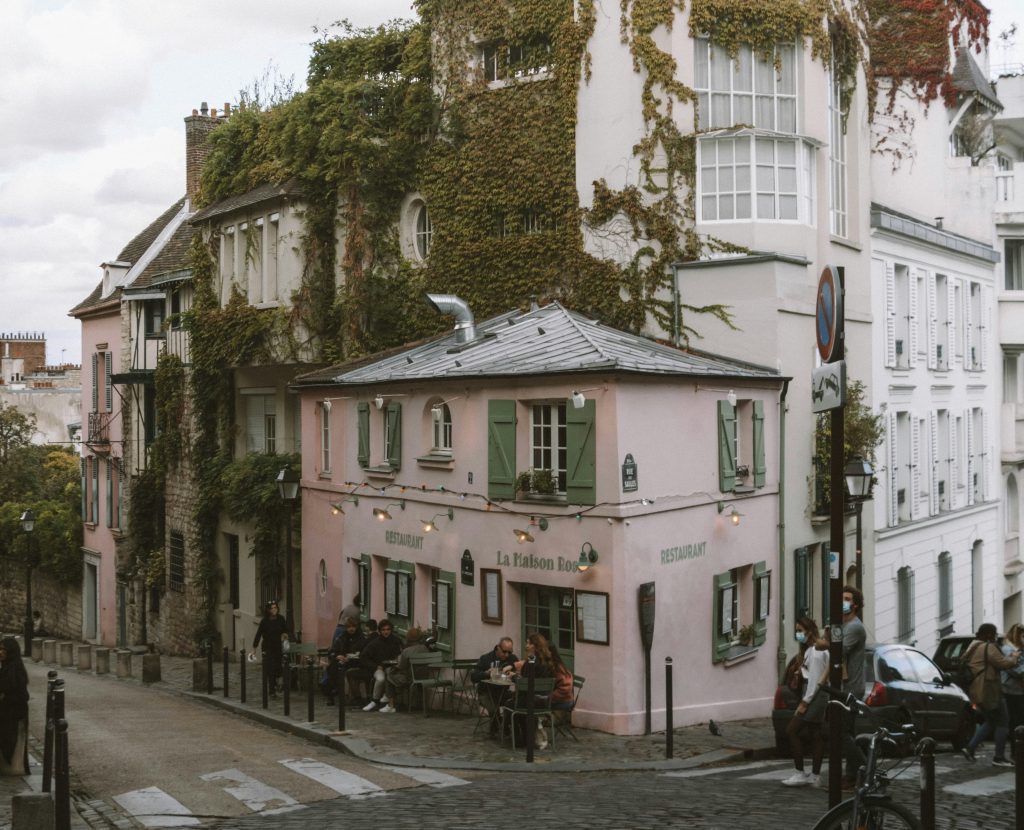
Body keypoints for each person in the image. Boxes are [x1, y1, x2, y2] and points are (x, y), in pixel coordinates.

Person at [962, 622, 1021, 766]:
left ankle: (970, 748)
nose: (995, 637)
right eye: (994, 633)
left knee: (991, 721)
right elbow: (1003, 664)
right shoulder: (988, 647)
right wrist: (1014, 656)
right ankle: (999, 757)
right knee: (1003, 722)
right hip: (990, 689)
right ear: (988, 634)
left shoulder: (972, 646)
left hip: (977, 689)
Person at [782, 617, 828, 787]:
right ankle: (815, 775)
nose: (798, 634)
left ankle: (800, 772)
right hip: (815, 693)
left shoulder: (816, 652)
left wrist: (805, 702)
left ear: (809, 631)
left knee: (791, 730)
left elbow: (815, 680)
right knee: (815, 734)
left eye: (800, 630)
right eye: (797, 630)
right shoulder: (810, 650)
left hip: (815, 694)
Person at [840, 585, 867, 788]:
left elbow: (839, 649)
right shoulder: (844, 625)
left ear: (855, 604)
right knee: (847, 731)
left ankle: (865, 768)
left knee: (843, 733)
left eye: (847, 598)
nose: (844, 601)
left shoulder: (855, 627)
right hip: (846, 686)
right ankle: (851, 775)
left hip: (852, 686)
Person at [470, 637, 519, 733]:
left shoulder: (512, 658)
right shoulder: (486, 658)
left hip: (503, 692)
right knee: (494, 709)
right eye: (504, 652)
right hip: (486, 693)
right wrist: (486, 674)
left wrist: (513, 670)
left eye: (510, 652)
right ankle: (498, 728)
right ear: (498, 648)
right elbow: (474, 677)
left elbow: (520, 669)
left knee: (517, 701)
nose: (507, 655)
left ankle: (506, 726)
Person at [0, 637, 30, 776]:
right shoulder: (7, 666)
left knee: (11, 743)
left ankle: (13, 771)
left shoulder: (15, 668)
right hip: (8, 713)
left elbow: (22, 694)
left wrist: (5, 698)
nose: (0, 652)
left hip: (14, 714)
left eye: (3, 650)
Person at [322, 617, 368, 705]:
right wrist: (337, 656)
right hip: (342, 661)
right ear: (346, 627)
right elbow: (332, 651)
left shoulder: (361, 638)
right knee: (332, 668)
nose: (351, 629)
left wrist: (352, 657)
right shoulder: (341, 637)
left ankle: (339, 692)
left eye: (353, 626)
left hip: (355, 662)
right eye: (349, 627)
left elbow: (364, 653)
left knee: (340, 670)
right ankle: (331, 694)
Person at [359, 619, 403, 711]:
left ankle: (389, 699)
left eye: (388, 629)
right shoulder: (375, 643)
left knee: (393, 677)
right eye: (383, 630)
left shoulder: (396, 641)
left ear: (391, 630)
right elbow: (363, 657)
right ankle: (374, 701)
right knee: (381, 678)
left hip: (393, 668)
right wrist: (375, 666)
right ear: (380, 630)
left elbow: (401, 653)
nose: (386, 632)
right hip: (379, 667)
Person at [384, 627, 430, 713]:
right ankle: (400, 701)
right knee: (394, 676)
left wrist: (392, 669)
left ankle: (390, 704)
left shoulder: (406, 651)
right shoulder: (425, 648)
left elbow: (401, 666)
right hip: (423, 677)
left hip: (409, 679)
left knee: (388, 674)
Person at [252, 600, 289, 697]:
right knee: (270, 669)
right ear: (268, 610)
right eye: (272, 608)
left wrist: (285, 635)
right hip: (267, 647)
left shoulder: (281, 619)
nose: (274, 610)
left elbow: (285, 630)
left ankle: (275, 684)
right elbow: (258, 634)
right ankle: (271, 691)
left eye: (275, 607)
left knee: (277, 668)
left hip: (277, 647)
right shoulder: (265, 621)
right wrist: (254, 647)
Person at [1002, 623, 1024, 755]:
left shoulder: (1019, 649)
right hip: (1012, 689)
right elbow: (1011, 667)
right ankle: (1016, 752)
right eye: (1022, 635)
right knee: (1016, 720)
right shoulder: (1008, 649)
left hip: (1019, 689)